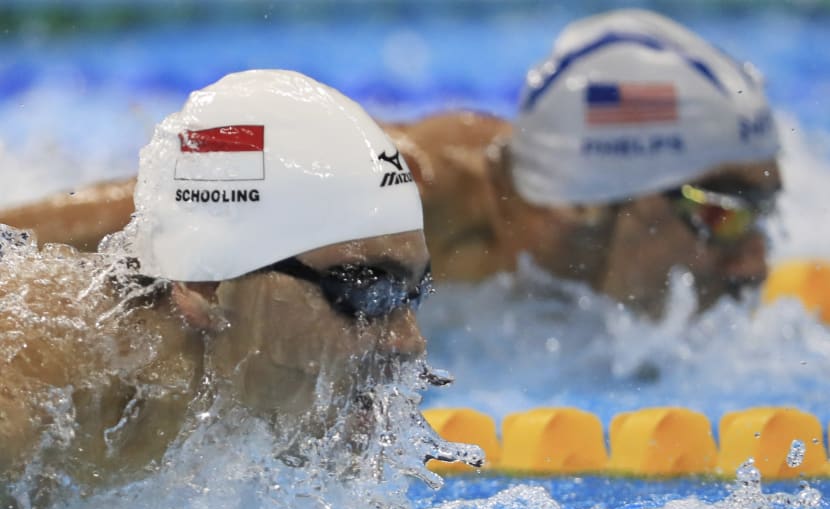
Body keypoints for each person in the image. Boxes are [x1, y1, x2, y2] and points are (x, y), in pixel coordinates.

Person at [2, 9, 782, 317]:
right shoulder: (401, 188)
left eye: (765, 212)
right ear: (588, 199)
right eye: (721, 213)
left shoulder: (594, 267)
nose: (756, 259)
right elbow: (135, 215)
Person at [0, 69, 478, 509]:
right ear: (207, 286)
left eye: (412, 293)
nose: (409, 341)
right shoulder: (29, 403)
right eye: (365, 291)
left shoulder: (210, 391)